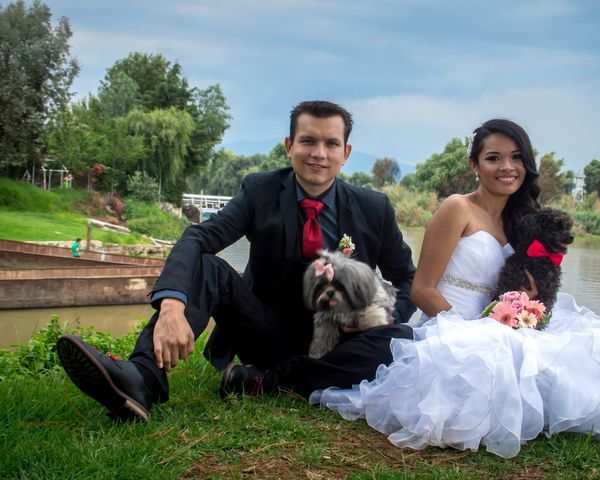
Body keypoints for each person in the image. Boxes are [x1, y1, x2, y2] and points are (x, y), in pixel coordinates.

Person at [56, 100, 416, 423]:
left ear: (346, 152)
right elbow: (198, 237)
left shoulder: (374, 208)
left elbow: (407, 279)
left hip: (340, 342)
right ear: (289, 146)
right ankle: (142, 378)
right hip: (265, 331)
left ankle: (265, 382)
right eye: (308, 141)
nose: (318, 153)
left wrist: (383, 319)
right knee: (209, 266)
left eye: (330, 143)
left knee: (400, 337)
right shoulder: (260, 191)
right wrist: (171, 305)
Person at [311, 119, 600, 458]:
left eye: (516, 157)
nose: (507, 167)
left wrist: (528, 304)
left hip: (501, 325)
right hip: (449, 323)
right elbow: (422, 289)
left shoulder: (525, 219)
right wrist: (472, 333)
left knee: (585, 351)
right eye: (494, 158)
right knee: (483, 374)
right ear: (474, 164)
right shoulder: (457, 208)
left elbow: (530, 281)